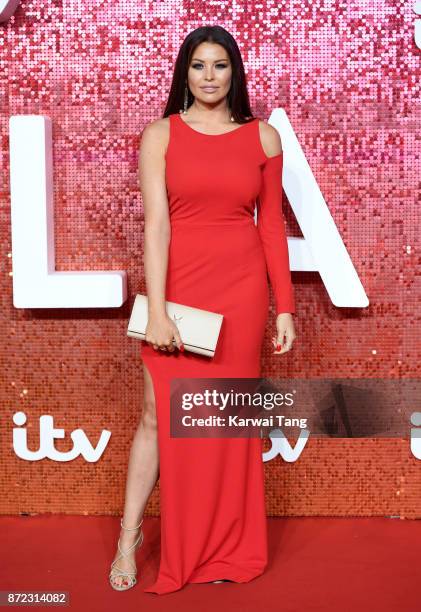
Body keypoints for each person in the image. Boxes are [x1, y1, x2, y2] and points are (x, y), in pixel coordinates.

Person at [109, 25, 297, 595]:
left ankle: (223, 548)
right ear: (183, 73)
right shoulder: (159, 136)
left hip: (241, 294)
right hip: (179, 290)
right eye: (198, 65)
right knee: (155, 413)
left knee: (223, 423)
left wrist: (283, 308)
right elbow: (157, 226)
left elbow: (272, 234)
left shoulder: (263, 138)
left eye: (220, 65)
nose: (210, 76)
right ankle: (128, 539)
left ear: (234, 73)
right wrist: (160, 309)